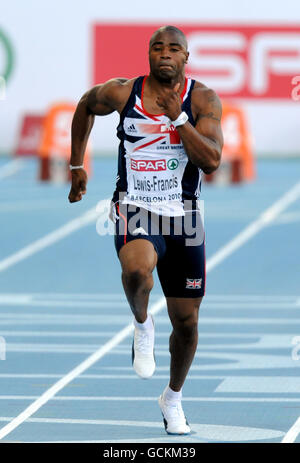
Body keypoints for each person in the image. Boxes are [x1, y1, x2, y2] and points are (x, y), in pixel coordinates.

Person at [68, 25, 223, 435]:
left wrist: (179, 119)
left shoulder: (203, 99)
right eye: (158, 47)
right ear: (149, 55)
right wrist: (76, 164)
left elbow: (211, 161)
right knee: (138, 270)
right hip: (135, 208)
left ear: (186, 57)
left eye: (174, 48)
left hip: (185, 217)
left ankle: (172, 398)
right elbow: (86, 104)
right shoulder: (124, 93)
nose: (165, 54)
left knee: (187, 323)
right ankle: (141, 325)